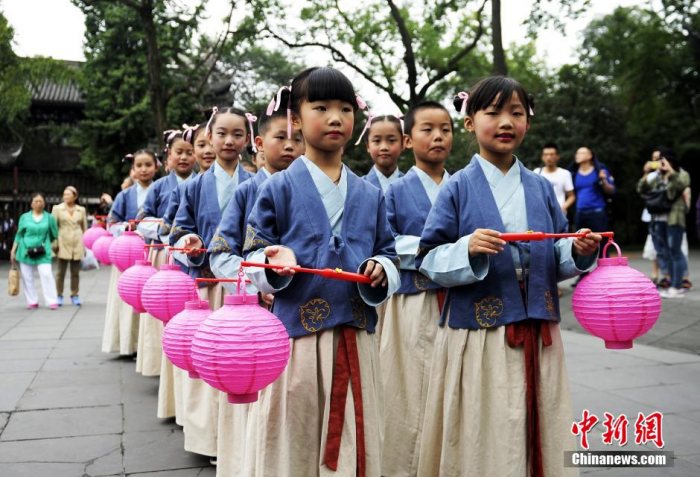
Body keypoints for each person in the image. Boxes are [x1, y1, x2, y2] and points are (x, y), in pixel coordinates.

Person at [415, 76, 601, 476]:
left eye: (516, 113)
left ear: (527, 123)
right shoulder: (458, 187)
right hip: (479, 335)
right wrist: (466, 248)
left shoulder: (539, 186)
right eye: (493, 112)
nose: (505, 122)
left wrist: (577, 250)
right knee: (486, 427)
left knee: (539, 418)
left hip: (537, 327)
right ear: (469, 124)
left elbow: (555, 251)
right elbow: (428, 259)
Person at [243, 66, 400, 476]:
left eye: (346, 108)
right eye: (322, 107)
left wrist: (382, 267)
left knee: (356, 430)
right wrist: (271, 264)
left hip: (355, 335)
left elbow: (388, 250)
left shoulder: (370, 193)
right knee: (295, 430)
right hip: (297, 339)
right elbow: (253, 255)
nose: (335, 117)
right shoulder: (276, 187)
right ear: (295, 118)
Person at [208, 88, 305, 476]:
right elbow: (222, 252)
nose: (290, 146)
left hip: (303, 308)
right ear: (261, 143)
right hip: (255, 312)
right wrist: (257, 279)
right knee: (253, 395)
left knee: (294, 400)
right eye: (281, 137)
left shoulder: (316, 188)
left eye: (297, 138)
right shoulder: (248, 190)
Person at [170, 107, 255, 459]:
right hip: (208, 284)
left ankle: (243, 441)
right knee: (211, 361)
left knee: (245, 363)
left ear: (248, 139)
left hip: (245, 287)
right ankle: (208, 440)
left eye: (237, 134)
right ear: (210, 136)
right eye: (222, 133)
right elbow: (177, 230)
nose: (229, 141)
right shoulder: (194, 187)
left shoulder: (258, 182)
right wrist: (188, 244)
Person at [380, 101, 452, 477]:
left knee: (451, 384)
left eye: (445, 129)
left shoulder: (462, 186)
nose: (438, 136)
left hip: (460, 300)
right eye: (428, 129)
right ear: (408, 140)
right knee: (408, 385)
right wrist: (434, 249)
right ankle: (403, 465)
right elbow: (385, 242)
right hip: (413, 299)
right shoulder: (394, 191)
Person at [134, 128, 197, 378]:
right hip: (165, 255)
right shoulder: (160, 186)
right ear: (168, 156)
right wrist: (164, 228)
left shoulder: (199, 182)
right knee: (164, 312)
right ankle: (161, 366)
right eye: (178, 152)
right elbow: (141, 220)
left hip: (191, 253)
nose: (183, 157)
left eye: (189, 152)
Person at [101, 150, 158, 356]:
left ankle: (149, 350)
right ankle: (128, 344)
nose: (143, 169)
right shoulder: (124, 195)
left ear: (156, 166)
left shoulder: (160, 190)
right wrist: (127, 228)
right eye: (139, 166)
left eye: (148, 165)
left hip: (153, 253)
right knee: (126, 302)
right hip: (128, 257)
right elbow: (111, 223)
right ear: (133, 170)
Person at [637, 146, 691, 299]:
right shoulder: (657, 176)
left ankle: (677, 285)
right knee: (665, 253)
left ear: (670, 160)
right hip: (658, 220)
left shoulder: (682, 174)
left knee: (676, 252)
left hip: (674, 220)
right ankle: (672, 283)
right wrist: (646, 173)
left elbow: (679, 186)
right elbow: (641, 189)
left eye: (663, 160)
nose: (660, 163)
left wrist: (671, 172)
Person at [11, 192, 59, 310]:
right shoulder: (24, 217)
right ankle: (32, 300)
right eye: (36, 201)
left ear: (44, 203)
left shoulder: (49, 217)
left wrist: (49, 244)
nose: (38, 203)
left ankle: (51, 300)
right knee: (27, 277)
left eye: (41, 201)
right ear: (31, 204)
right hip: (25, 250)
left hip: (43, 251)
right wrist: (13, 250)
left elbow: (54, 234)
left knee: (47, 274)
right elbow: (19, 235)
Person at [52, 186, 88, 306]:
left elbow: (84, 228)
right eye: (64, 194)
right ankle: (59, 295)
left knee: (75, 272)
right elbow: (53, 228)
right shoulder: (57, 209)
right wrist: (55, 243)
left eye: (68, 194)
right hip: (63, 241)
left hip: (77, 241)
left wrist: (86, 244)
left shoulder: (81, 210)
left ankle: (74, 294)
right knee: (60, 272)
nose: (66, 196)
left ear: (75, 196)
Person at [361, 115, 404, 192]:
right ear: (368, 146)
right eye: (377, 141)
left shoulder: (413, 186)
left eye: (391, 140)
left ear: (403, 144)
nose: (384, 147)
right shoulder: (357, 187)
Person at [533, 142, 575, 215]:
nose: (548, 157)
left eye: (552, 154)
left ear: (557, 156)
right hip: (541, 214)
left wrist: (563, 207)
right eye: (546, 155)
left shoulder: (565, 173)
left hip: (559, 214)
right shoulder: (536, 172)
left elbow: (571, 196)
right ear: (542, 157)